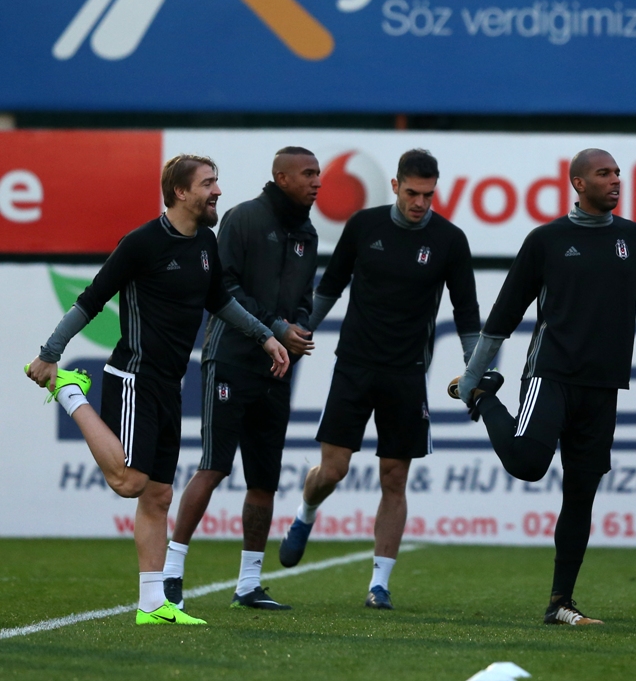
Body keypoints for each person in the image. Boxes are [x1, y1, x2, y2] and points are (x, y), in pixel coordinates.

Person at [452, 148, 636, 626]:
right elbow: (502, 318)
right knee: (528, 463)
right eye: (603, 174)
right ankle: (489, 397)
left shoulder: (634, 239)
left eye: (617, 173)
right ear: (577, 183)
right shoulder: (546, 240)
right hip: (550, 376)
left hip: (603, 387)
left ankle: (560, 604)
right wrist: (472, 382)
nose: (615, 180)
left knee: (580, 495)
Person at [25, 155, 290, 626]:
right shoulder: (142, 243)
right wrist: (51, 353)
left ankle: (152, 605)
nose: (218, 192)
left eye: (217, 182)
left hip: (170, 386)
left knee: (159, 496)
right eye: (209, 184)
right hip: (134, 377)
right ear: (181, 193)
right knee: (129, 482)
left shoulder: (206, 242)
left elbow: (220, 302)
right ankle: (70, 394)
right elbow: (91, 299)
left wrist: (265, 336)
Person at [277, 149, 481, 610]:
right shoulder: (364, 226)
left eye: (429, 195)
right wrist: (296, 335)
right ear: (395, 186)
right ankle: (306, 511)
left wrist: (473, 369)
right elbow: (328, 288)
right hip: (354, 364)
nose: (420, 203)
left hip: (407, 373)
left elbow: (466, 311)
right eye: (412, 193)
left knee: (394, 478)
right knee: (333, 470)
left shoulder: (450, 240)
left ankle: (379, 584)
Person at [162, 147, 321, 612]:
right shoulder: (243, 218)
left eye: (318, 174)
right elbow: (223, 287)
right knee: (213, 466)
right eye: (308, 174)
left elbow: (305, 295)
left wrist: (301, 323)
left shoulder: (307, 232)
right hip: (230, 359)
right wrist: (275, 327)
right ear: (281, 177)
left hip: (276, 367)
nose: (316, 182)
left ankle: (249, 584)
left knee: (265, 479)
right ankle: (171, 573)